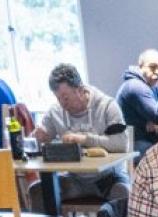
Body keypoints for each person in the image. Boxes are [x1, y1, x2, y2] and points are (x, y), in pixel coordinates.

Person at [37, 64, 128, 206]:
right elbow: (43, 136)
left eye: (65, 98)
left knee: (123, 193)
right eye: (58, 98)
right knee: (39, 192)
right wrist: (41, 137)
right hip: (74, 179)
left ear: (80, 90)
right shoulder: (55, 111)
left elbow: (121, 144)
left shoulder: (107, 106)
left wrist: (84, 139)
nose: (62, 104)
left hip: (108, 179)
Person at [115, 48, 158, 150]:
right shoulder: (135, 86)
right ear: (140, 66)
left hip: (145, 139)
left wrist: (156, 121)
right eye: (153, 67)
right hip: (133, 145)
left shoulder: (153, 86)